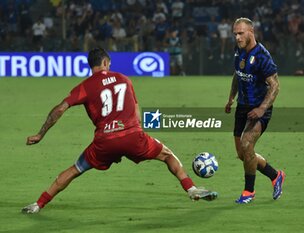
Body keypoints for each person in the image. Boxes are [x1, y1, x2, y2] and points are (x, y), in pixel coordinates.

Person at [22, 48, 217, 214]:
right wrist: (135, 134)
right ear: (106, 62)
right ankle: (191, 189)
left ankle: (38, 204)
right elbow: (137, 114)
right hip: (133, 136)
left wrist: (41, 133)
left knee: (75, 170)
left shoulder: (85, 87)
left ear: (91, 65)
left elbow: (60, 109)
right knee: (167, 155)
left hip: (104, 142)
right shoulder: (124, 79)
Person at [224, 18, 285, 204]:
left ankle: (248, 192)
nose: (237, 37)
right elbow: (238, 74)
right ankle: (276, 175)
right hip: (242, 106)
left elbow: (275, 86)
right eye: (235, 33)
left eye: (241, 33)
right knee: (243, 154)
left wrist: (262, 108)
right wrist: (231, 97)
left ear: (251, 32)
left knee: (247, 144)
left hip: (260, 109)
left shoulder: (262, 57)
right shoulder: (239, 50)